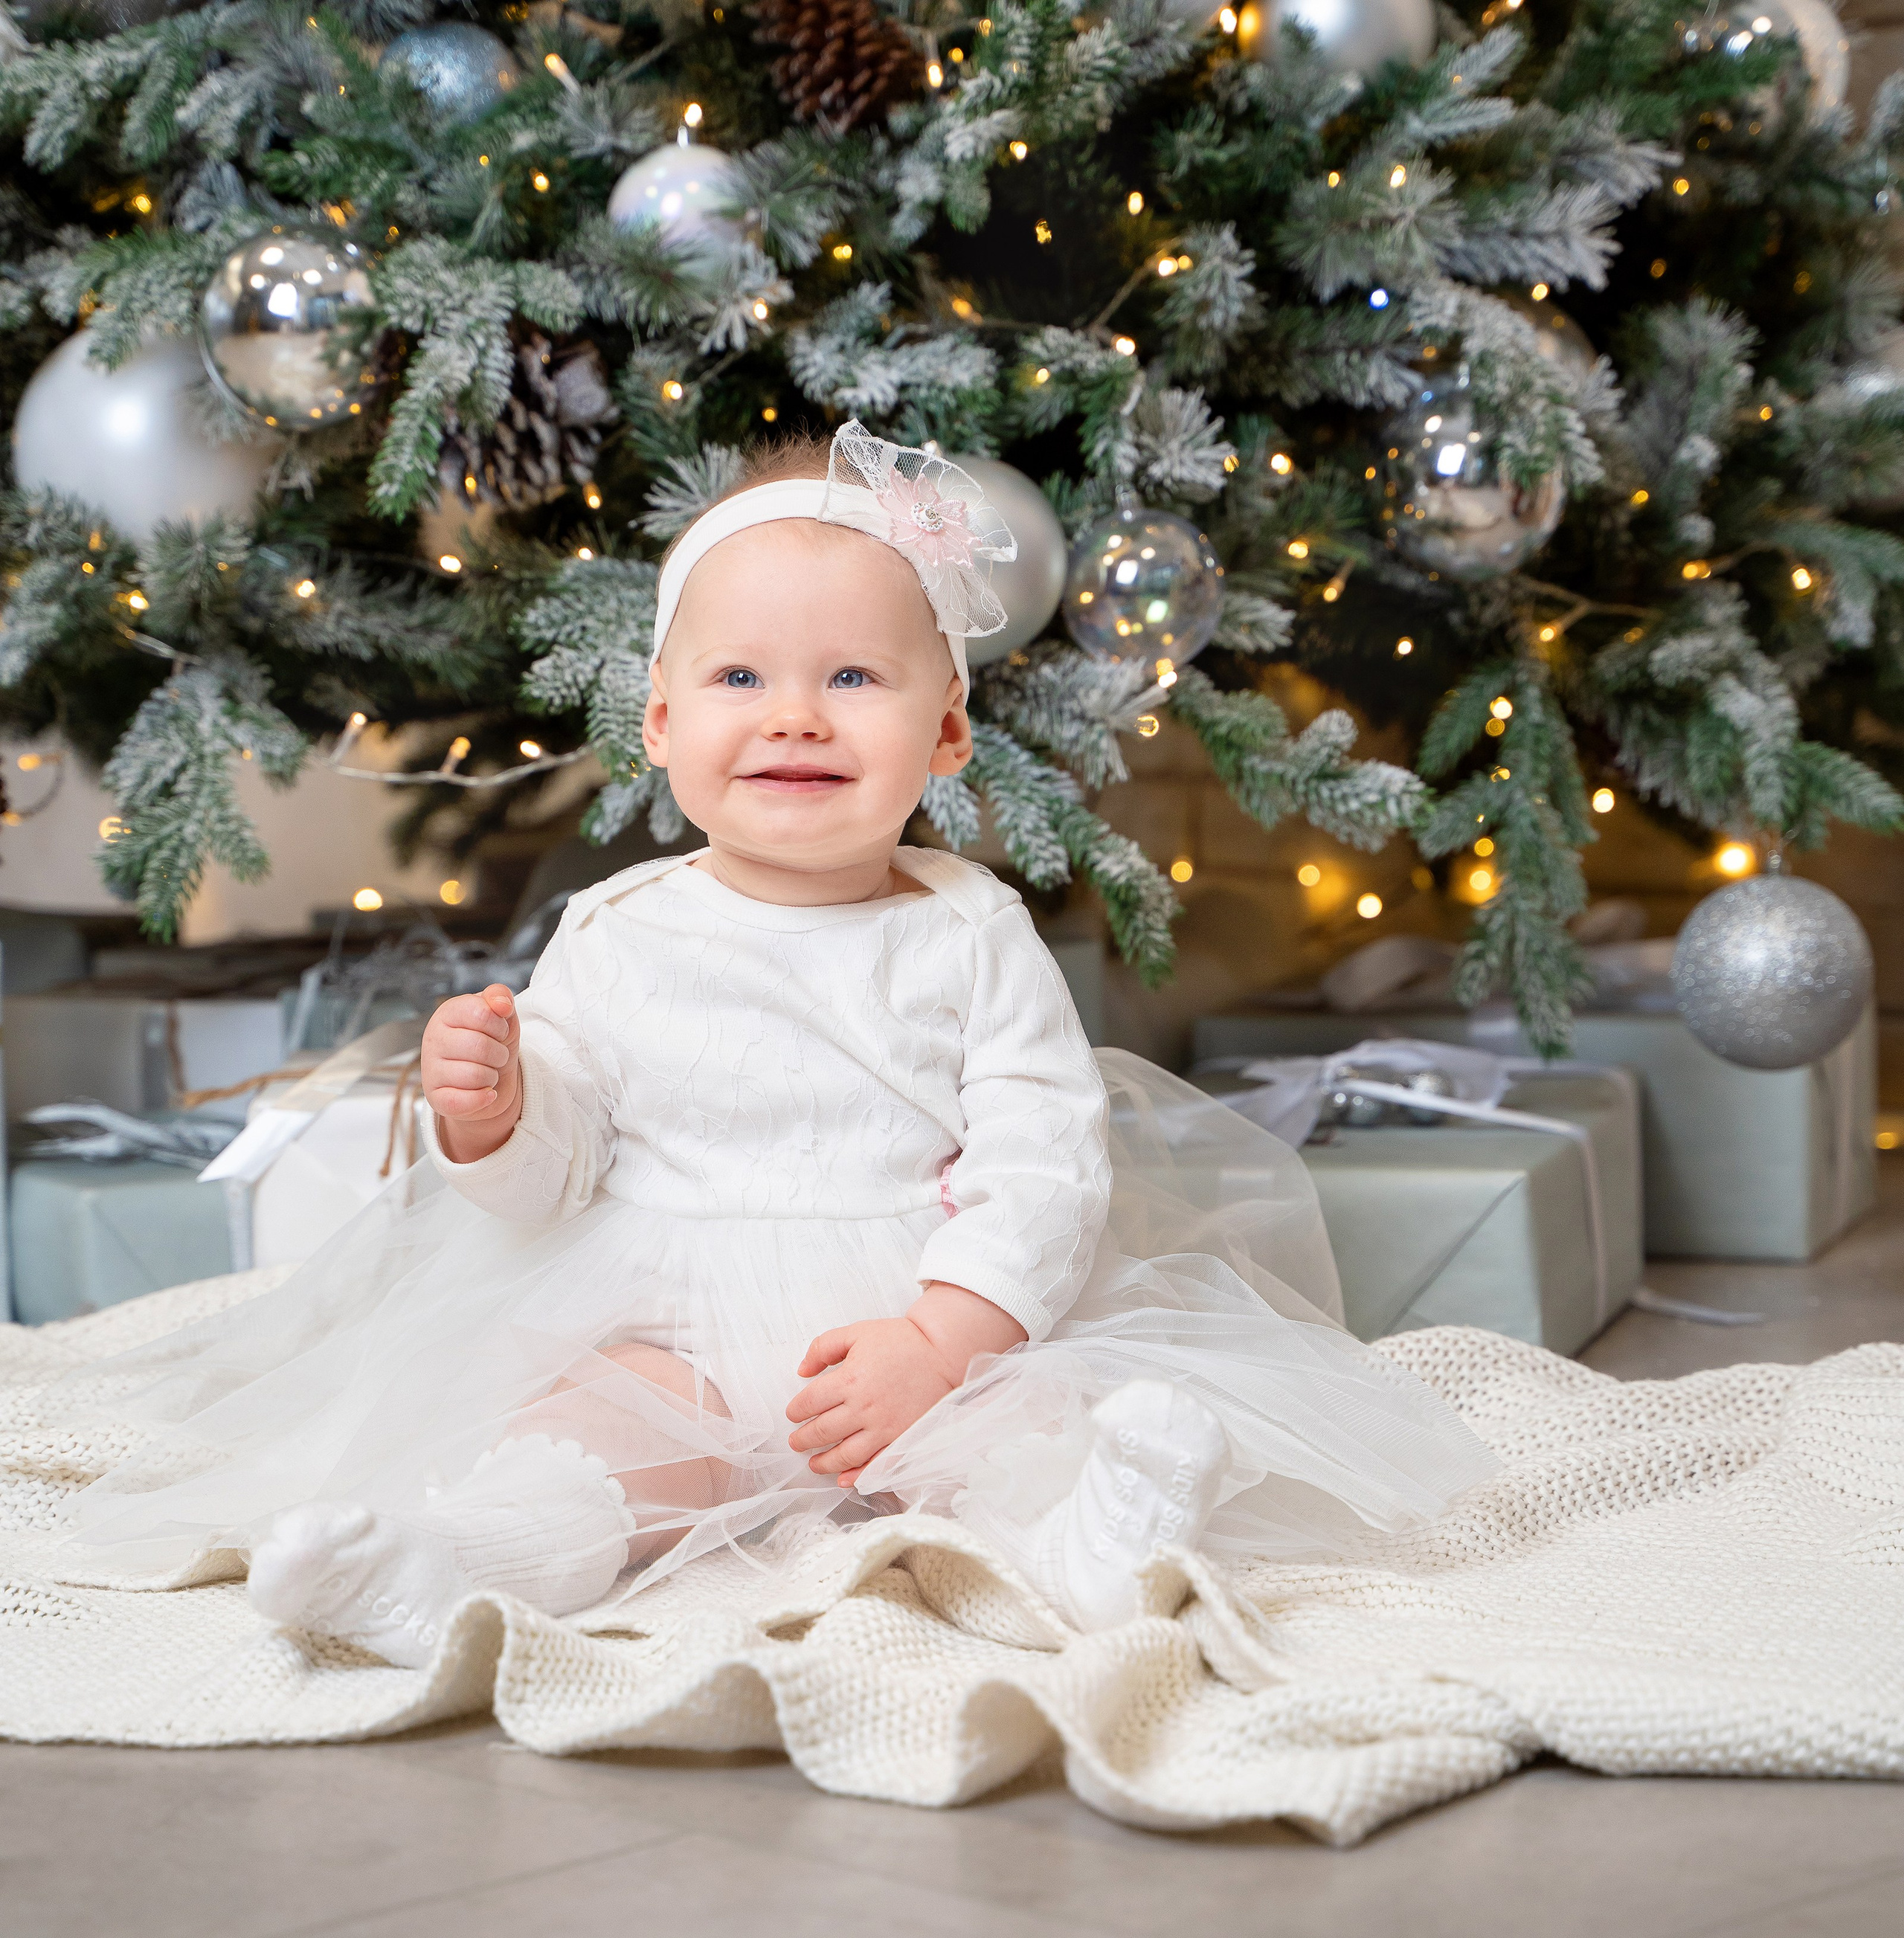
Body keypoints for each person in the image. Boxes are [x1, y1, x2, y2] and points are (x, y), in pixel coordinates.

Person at [57, 422, 1497, 1666]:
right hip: (659, 1312)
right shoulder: (615, 930)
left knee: (1018, 1423)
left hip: (910, 1307)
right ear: (663, 723)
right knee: (594, 1439)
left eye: (856, 680)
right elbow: (560, 1168)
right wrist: (499, 1116)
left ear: (945, 733)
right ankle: (457, 1568)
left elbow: (1042, 1157)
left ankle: (1090, 1545)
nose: (795, 715)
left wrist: (943, 1338)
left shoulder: (967, 927)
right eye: (740, 680)